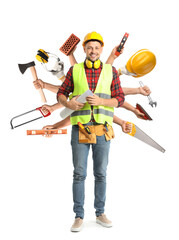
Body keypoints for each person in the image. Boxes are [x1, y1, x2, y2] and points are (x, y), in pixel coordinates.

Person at [56, 31, 126, 232]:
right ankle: (78, 216)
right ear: (84, 49)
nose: (93, 51)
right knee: (79, 174)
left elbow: (119, 98)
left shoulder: (110, 71)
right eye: (89, 48)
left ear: (101, 49)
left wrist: (102, 101)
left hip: (103, 129)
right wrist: (67, 102)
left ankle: (100, 213)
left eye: (96, 48)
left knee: (101, 174)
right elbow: (61, 93)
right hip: (80, 130)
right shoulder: (75, 70)